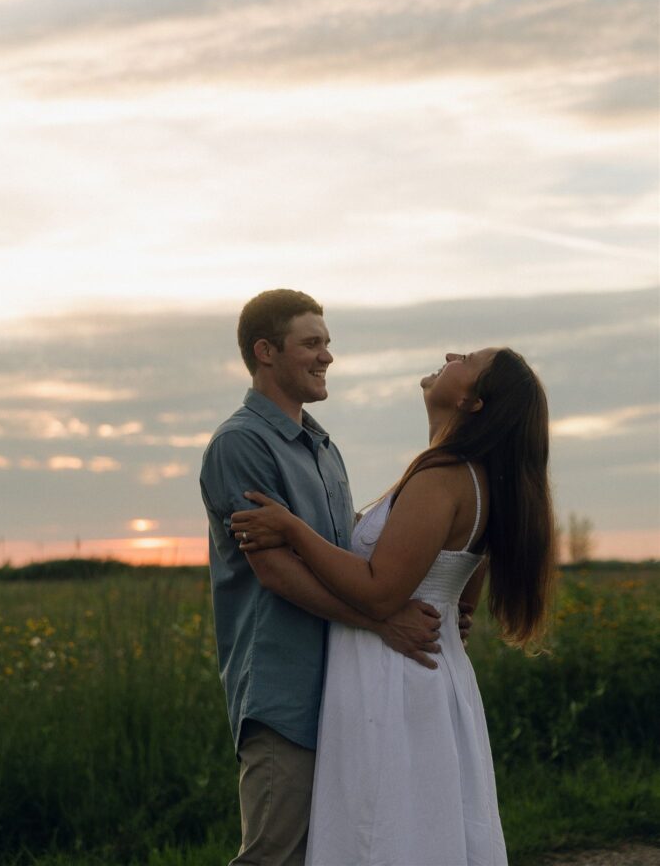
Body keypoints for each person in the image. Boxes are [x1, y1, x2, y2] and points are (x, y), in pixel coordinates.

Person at [232, 345, 556, 866]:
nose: (450, 354)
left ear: (473, 401)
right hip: (424, 670)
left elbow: (379, 589)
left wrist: (291, 528)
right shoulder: (472, 475)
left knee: (381, 831)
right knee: (419, 830)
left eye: (467, 359)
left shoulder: (443, 478)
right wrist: (445, 606)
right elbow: (463, 585)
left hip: (392, 680)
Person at [200, 290, 473, 866]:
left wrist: (437, 600)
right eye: (313, 343)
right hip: (284, 689)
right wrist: (383, 620)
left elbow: (349, 549)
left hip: (348, 688)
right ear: (266, 351)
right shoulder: (240, 444)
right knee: (274, 855)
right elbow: (275, 571)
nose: (327, 356)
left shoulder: (322, 447)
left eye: (328, 343)